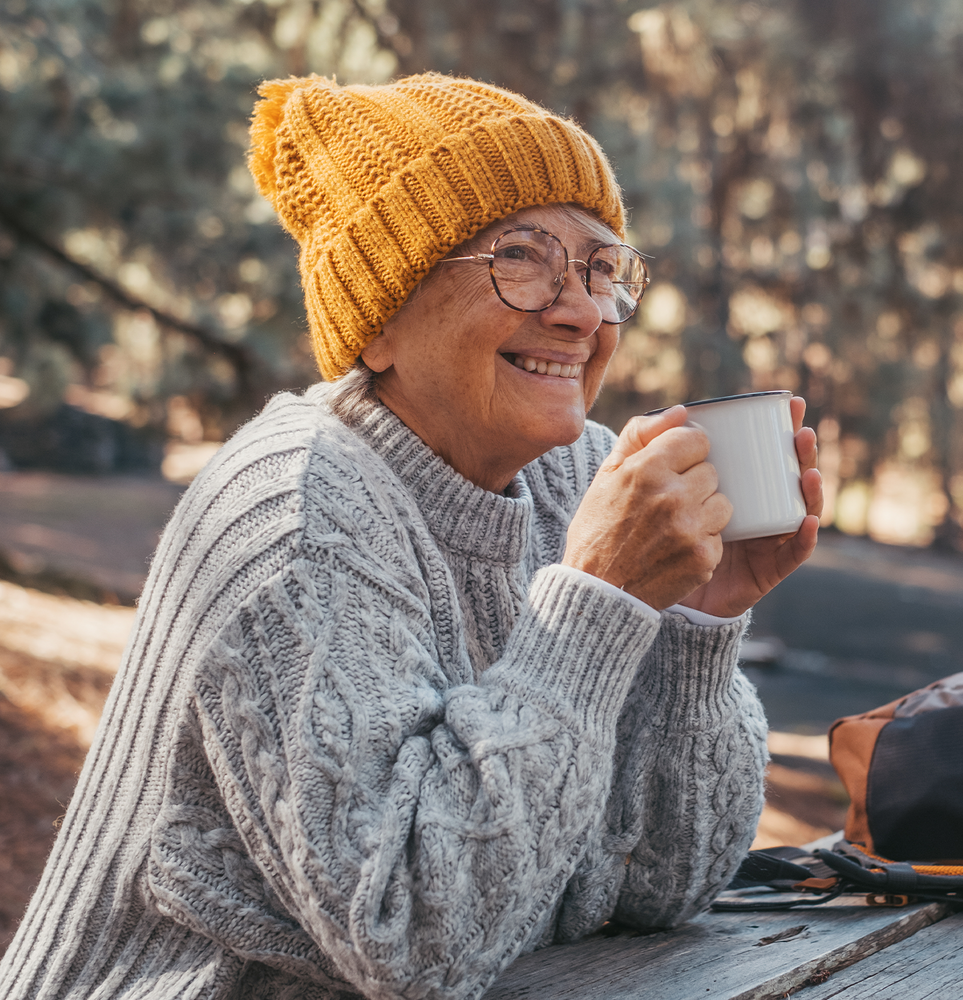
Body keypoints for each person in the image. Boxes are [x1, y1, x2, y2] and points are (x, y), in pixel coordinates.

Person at [0, 73, 822, 1000]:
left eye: (601, 269)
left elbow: (661, 885)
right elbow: (415, 940)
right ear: (380, 321)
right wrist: (592, 608)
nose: (582, 311)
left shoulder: (579, 472)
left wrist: (698, 631)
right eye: (523, 259)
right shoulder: (297, 510)